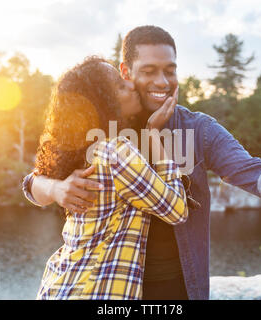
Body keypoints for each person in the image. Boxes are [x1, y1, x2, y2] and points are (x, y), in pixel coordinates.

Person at [23, 26, 261, 300]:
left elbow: (257, 174)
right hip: (107, 290)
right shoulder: (104, 127)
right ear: (125, 72)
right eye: (149, 71)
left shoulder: (197, 129)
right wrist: (56, 188)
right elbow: (33, 182)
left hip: (177, 290)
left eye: (170, 70)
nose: (162, 81)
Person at [33, 56, 188, 300]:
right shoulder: (115, 150)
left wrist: (51, 188)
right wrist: (153, 133)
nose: (130, 85)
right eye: (119, 85)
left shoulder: (86, 145)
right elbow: (177, 209)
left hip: (62, 286)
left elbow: (32, 181)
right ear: (102, 102)